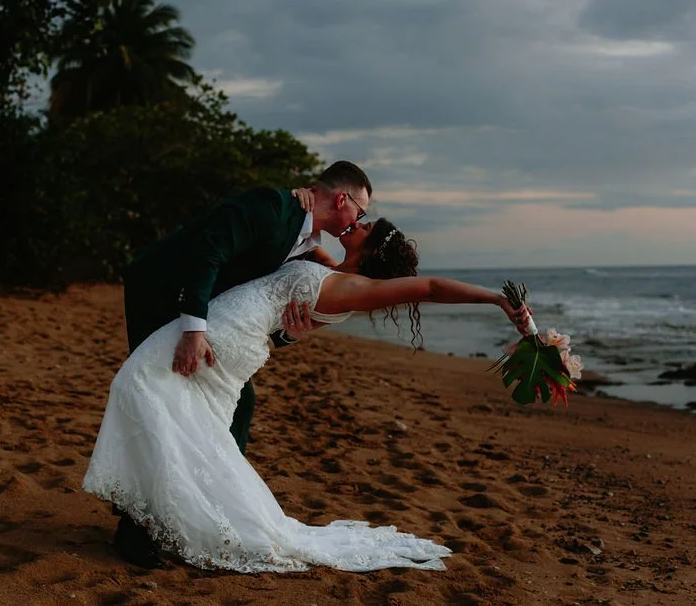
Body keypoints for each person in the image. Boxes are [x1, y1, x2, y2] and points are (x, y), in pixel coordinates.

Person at [84, 218, 534, 573]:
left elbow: (432, 288)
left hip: (228, 340)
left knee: (145, 393)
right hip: (234, 339)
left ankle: (144, 524)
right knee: (183, 426)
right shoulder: (329, 267)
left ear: (372, 250)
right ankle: (148, 524)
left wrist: (497, 300)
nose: (354, 225)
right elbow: (297, 243)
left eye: (363, 228)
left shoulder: (355, 289)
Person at [113, 161, 373, 567]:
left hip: (202, 312)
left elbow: (266, 309)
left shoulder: (306, 244)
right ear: (343, 199)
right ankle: (136, 528)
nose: (360, 219)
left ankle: (203, 510)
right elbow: (209, 251)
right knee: (157, 401)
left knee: (235, 405)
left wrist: (294, 332)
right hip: (162, 291)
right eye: (361, 211)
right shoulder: (272, 206)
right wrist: (193, 330)